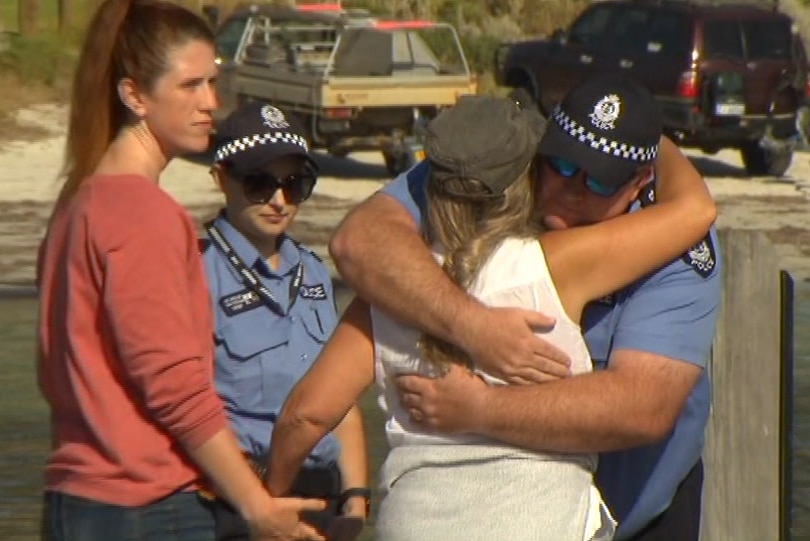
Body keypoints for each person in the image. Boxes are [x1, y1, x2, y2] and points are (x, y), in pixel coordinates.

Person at [266, 91, 716, 540]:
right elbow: (694, 209)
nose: (574, 189)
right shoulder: (559, 264)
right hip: (539, 520)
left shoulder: (393, 287)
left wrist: (270, 502)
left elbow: (304, 415)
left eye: (599, 182)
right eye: (560, 166)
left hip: (416, 520)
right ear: (530, 169)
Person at [36, 1, 324, 540]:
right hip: (144, 507)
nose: (211, 103)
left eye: (212, 82)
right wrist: (256, 504)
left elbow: (55, 371)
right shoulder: (143, 213)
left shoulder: (76, 207)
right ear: (134, 96)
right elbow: (174, 386)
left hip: (76, 498)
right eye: (190, 86)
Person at [201, 102, 370, 540]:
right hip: (242, 502)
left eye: (295, 185)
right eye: (259, 183)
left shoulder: (314, 272)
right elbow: (184, 404)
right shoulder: (196, 272)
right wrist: (257, 503)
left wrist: (355, 499)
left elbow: (341, 398)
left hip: (324, 499)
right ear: (222, 178)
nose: (279, 200)